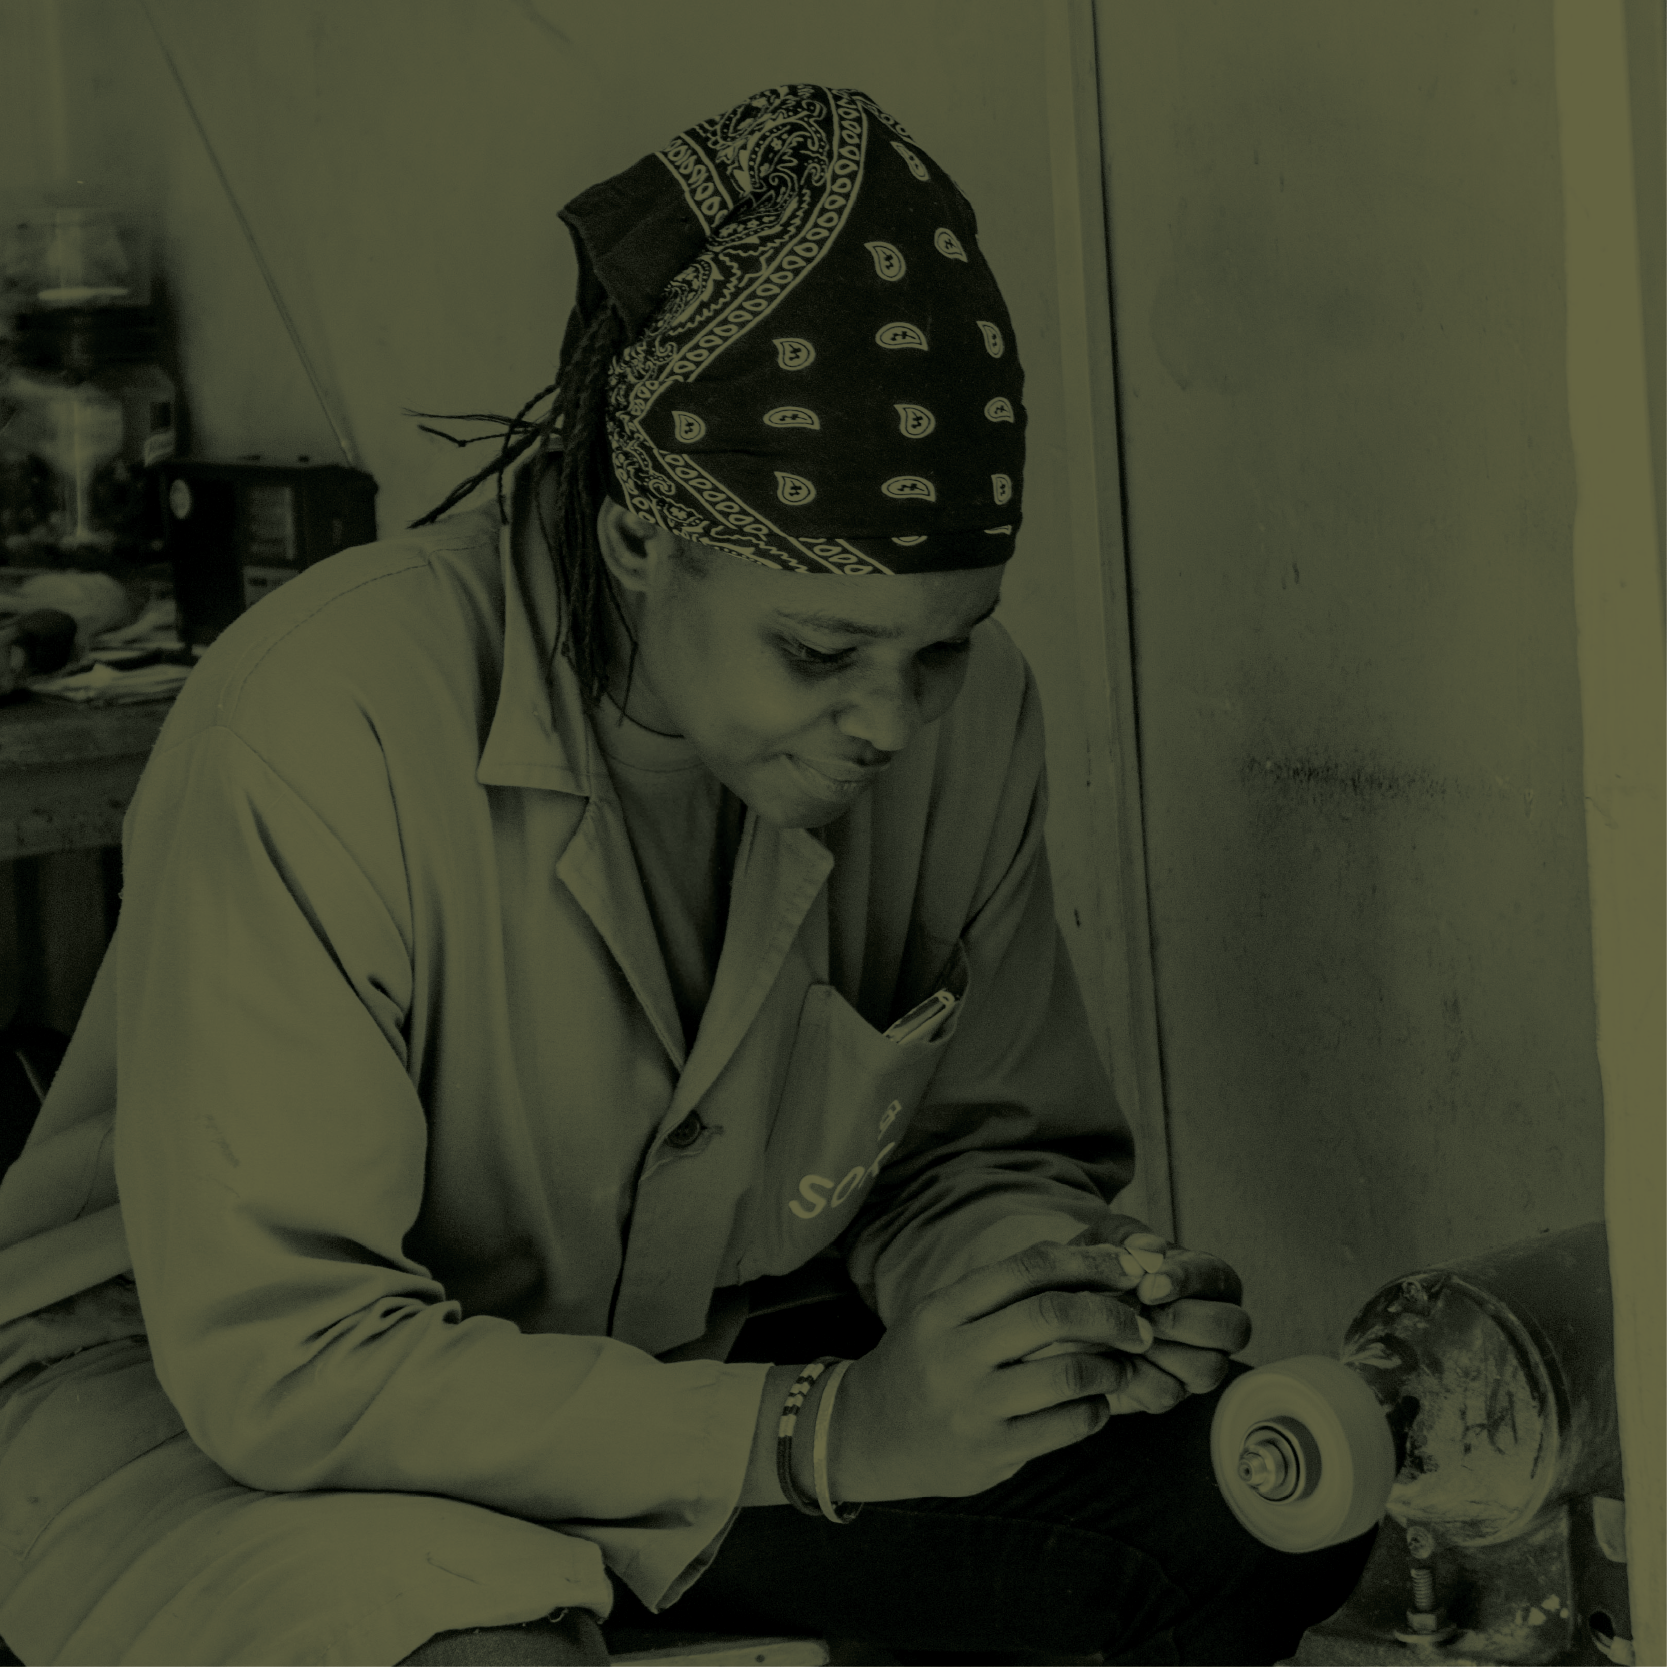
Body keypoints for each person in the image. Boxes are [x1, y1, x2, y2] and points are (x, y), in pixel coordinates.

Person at [0, 86, 1370, 1666]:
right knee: (473, 1648)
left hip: (660, 1385)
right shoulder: (322, 720)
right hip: (216, 1435)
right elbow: (292, 1364)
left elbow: (974, 1150)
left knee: (1255, 1512)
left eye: (942, 648)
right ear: (639, 532)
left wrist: (1041, 1301)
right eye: (820, 650)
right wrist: (820, 1431)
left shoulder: (962, 725)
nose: (889, 718)